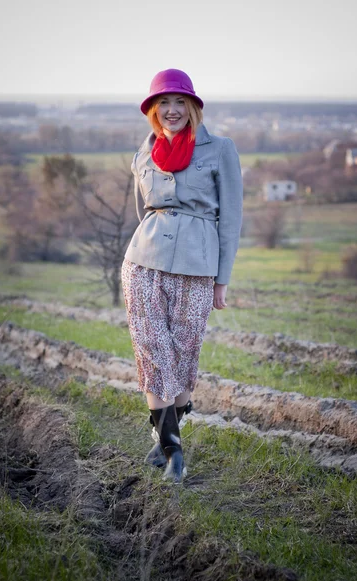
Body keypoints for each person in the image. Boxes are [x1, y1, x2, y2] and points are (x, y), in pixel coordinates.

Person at [121, 68, 243, 483]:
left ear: (192, 107)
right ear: (153, 111)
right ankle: (174, 451)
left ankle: (166, 435)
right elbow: (145, 213)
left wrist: (221, 279)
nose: (171, 111)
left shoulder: (220, 149)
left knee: (184, 350)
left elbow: (231, 220)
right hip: (144, 261)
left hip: (197, 263)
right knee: (153, 348)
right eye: (163, 104)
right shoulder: (143, 154)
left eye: (179, 103)